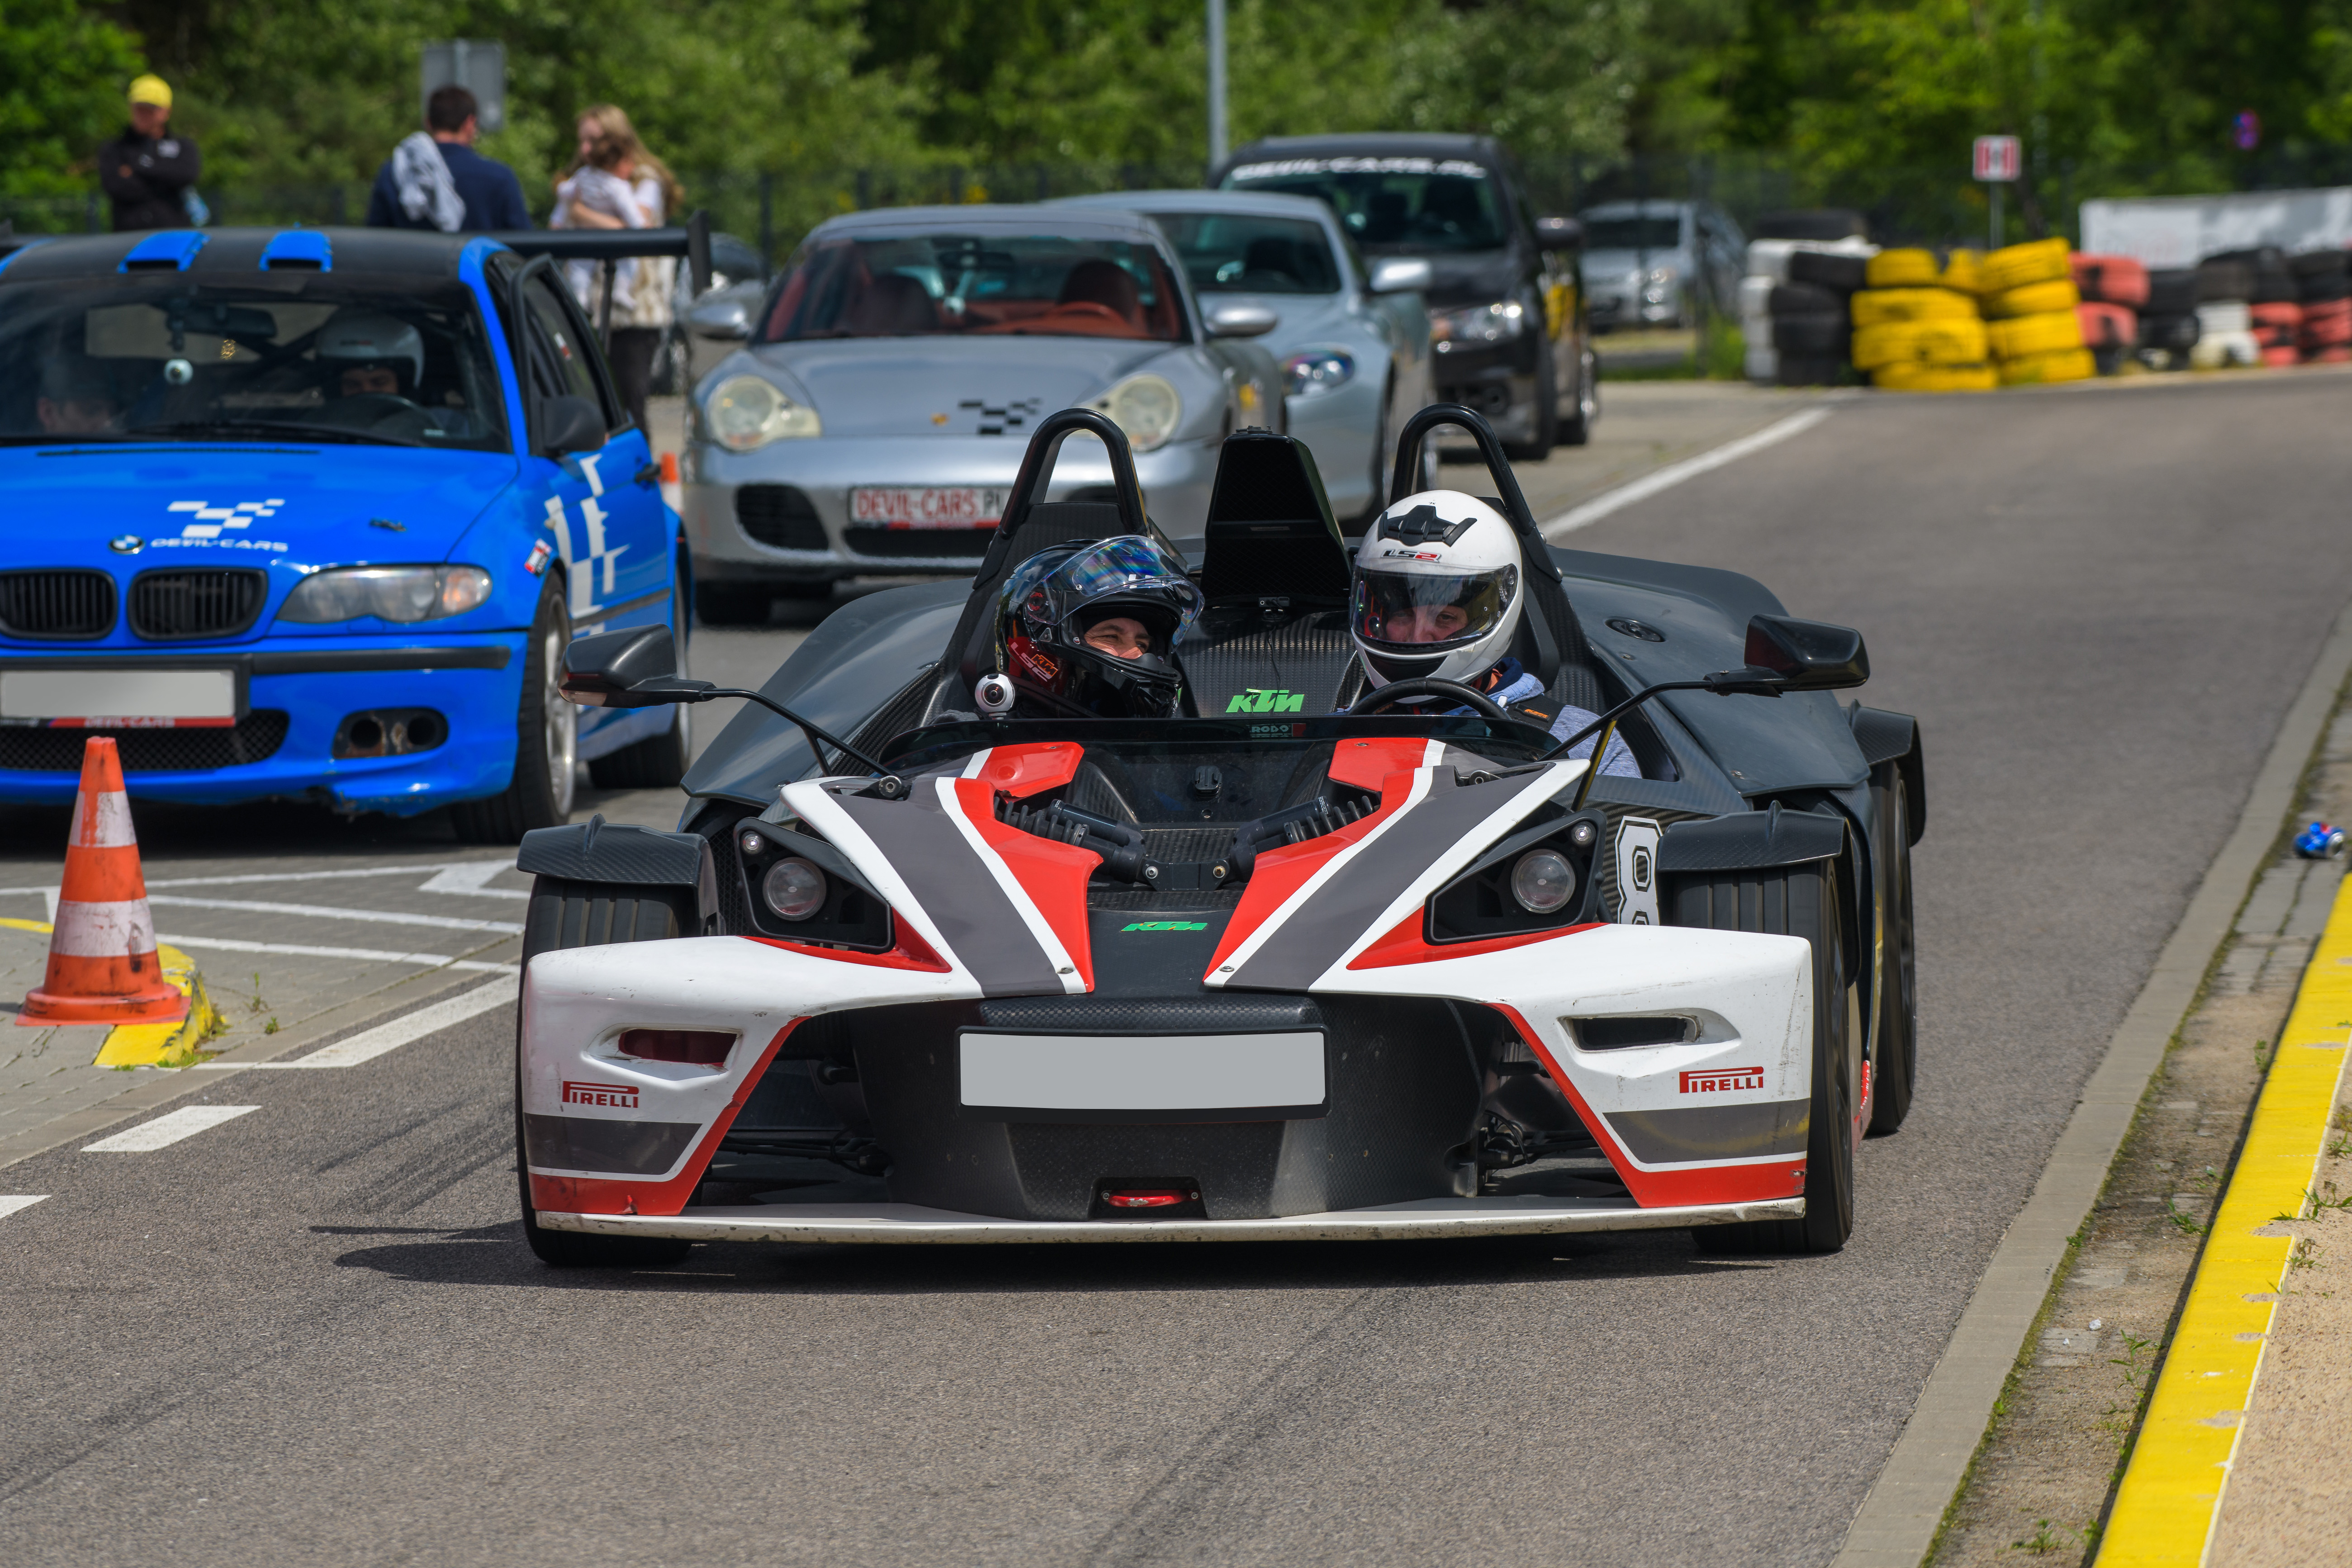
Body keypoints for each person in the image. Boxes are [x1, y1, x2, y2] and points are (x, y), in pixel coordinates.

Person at [1347, 491, 1640, 777]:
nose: (1417, 636)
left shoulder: (1582, 742)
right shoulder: (1339, 730)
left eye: (1445, 617)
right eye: (1403, 615)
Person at [551, 105, 681, 429]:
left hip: (633, 312)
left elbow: (637, 228)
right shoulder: (581, 180)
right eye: (582, 141)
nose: (586, 150)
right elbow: (557, 228)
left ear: (617, 141)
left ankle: (638, 460)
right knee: (585, 403)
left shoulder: (643, 181)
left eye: (594, 140)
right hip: (586, 307)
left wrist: (580, 213)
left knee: (627, 405)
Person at [992, 535, 1204, 718]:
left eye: (1143, 645)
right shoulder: (983, 745)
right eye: (1111, 637)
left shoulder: (1175, 749)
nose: (1138, 656)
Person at [365, 85, 531, 234]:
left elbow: (375, 240)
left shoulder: (393, 172)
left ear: (428, 123)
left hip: (411, 260)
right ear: (470, 124)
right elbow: (523, 242)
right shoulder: (500, 178)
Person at [99, 76, 200, 232]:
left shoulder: (183, 146)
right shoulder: (115, 148)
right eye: (139, 108)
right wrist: (165, 180)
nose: (144, 114)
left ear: (167, 111)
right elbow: (115, 186)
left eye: (151, 109)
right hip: (127, 238)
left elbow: (186, 175)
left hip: (172, 237)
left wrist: (137, 170)